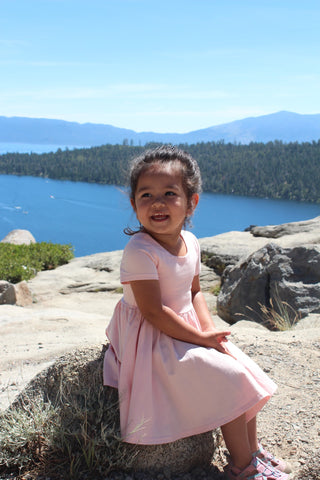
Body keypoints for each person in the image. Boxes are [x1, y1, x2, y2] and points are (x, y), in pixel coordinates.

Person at [103, 145, 292, 480]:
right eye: (146, 195)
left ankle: (254, 450)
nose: (157, 203)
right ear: (134, 204)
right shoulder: (139, 251)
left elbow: (194, 292)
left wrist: (211, 335)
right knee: (229, 379)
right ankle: (243, 467)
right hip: (151, 339)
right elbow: (154, 312)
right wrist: (200, 339)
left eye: (169, 193)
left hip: (184, 328)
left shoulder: (191, 241)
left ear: (192, 202)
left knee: (240, 368)